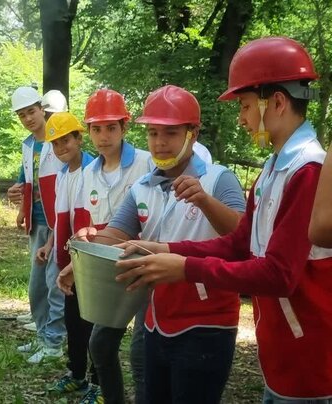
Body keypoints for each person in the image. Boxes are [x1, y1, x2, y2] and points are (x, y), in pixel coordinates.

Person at [115, 37, 332, 403]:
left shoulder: (307, 171)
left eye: (246, 106)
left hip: (309, 355)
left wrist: (185, 268)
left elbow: (280, 274)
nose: (242, 118)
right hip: (282, 351)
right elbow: (238, 244)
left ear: (276, 102)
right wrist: (164, 248)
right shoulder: (274, 169)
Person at [59, 85, 246, 404]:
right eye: (153, 133)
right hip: (155, 318)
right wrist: (83, 254)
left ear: (193, 133)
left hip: (207, 323)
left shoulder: (218, 179)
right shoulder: (142, 188)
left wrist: (204, 201)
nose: (159, 143)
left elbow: (244, 240)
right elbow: (114, 236)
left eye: (170, 133)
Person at [73, 89, 152, 404]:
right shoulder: (89, 173)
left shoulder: (147, 163)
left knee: (143, 354)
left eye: (110, 127)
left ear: (124, 128)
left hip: (149, 266)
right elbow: (92, 222)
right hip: (112, 271)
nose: (103, 136)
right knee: (101, 345)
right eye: (96, 128)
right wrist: (86, 233)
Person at [36, 111, 100, 397]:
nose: (62, 148)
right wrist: (50, 245)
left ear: (79, 138)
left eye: (66, 141)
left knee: (95, 324)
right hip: (69, 259)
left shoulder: (95, 170)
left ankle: (99, 382)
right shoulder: (62, 175)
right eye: (55, 144)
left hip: (93, 258)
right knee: (73, 322)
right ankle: (77, 373)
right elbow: (63, 220)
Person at [10, 86, 67, 363]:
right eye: (22, 115)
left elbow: (79, 173)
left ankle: (55, 342)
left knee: (55, 284)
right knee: (37, 287)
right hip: (36, 223)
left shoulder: (58, 142)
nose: (28, 119)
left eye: (31, 112)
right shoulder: (27, 145)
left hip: (57, 224)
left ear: (41, 109)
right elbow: (25, 180)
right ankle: (43, 336)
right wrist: (20, 202)